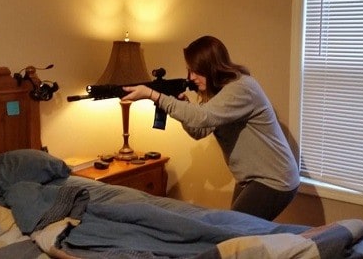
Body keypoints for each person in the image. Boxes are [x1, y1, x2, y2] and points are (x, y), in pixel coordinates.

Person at [122, 35, 300, 221]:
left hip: (275, 179)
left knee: (231, 232)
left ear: (211, 67)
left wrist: (154, 96)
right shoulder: (220, 93)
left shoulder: (242, 88)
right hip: (252, 178)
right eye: (189, 71)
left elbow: (201, 118)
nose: (191, 77)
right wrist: (183, 105)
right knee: (240, 235)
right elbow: (199, 131)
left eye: (196, 71)